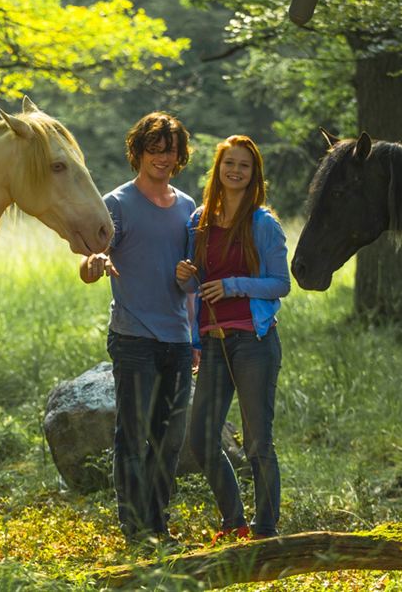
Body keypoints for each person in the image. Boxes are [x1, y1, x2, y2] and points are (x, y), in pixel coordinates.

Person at [79, 112, 197, 547]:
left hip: (179, 340)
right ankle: (135, 530)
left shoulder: (188, 208)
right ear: (139, 151)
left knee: (169, 440)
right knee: (133, 435)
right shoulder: (117, 203)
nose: (163, 157)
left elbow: (190, 282)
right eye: (155, 148)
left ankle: (157, 524)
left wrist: (190, 285)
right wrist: (95, 265)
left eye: (170, 149)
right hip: (133, 337)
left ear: (179, 154)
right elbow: (93, 260)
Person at [175, 135, 290, 541]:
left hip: (254, 343)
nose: (235, 171)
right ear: (218, 170)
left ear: (253, 173)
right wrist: (186, 278)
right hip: (212, 342)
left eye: (244, 165)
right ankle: (233, 521)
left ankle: (266, 530)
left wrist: (233, 285)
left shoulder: (263, 223)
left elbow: (280, 284)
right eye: (229, 164)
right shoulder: (200, 221)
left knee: (258, 440)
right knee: (202, 437)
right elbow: (197, 288)